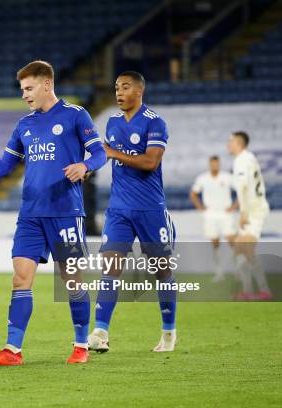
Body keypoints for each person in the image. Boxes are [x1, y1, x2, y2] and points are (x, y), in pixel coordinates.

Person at [0, 60, 107, 365]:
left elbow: (99, 153)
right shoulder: (25, 125)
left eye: (29, 88)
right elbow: (3, 168)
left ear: (47, 84)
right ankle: (13, 350)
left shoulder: (75, 116)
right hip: (31, 214)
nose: (24, 95)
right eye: (22, 89)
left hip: (65, 213)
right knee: (20, 279)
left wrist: (85, 165)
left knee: (71, 280)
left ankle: (81, 344)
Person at [88, 71, 177, 353]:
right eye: (116, 87)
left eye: (125, 87)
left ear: (139, 90)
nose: (119, 92)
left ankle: (168, 333)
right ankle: (100, 332)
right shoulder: (112, 123)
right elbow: (104, 154)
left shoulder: (155, 123)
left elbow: (151, 161)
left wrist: (113, 153)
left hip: (150, 209)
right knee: (109, 266)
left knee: (161, 271)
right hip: (118, 210)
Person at [227, 131, 272, 300]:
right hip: (255, 207)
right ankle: (248, 290)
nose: (228, 145)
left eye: (230, 141)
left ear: (239, 143)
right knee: (240, 251)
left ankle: (262, 290)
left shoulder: (241, 160)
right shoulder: (250, 158)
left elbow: (243, 186)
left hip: (253, 211)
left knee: (246, 250)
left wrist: (243, 212)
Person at [190, 156, 238, 282]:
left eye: (217, 164)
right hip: (210, 214)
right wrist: (201, 208)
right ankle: (219, 272)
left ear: (219, 164)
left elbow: (241, 190)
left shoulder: (227, 177)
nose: (215, 166)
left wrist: (234, 207)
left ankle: (238, 271)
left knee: (232, 241)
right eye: (213, 164)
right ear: (210, 165)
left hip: (225, 213)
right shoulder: (202, 178)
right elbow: (193, 194)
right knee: (215, 243)